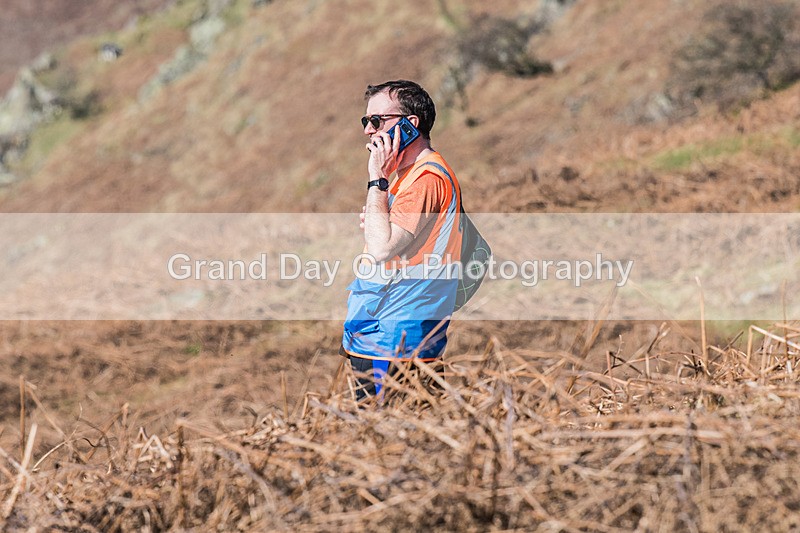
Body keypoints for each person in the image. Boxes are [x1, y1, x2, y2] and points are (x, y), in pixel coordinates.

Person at [341, 80, 464, 401]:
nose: (369, 130)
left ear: (411, 125)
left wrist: (376, 180)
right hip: (384, 332)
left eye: (378, 121)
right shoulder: (407, 177)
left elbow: (383, 248)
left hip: (397, 339)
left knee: (388, 441)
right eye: (366, 121)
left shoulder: (424, 179)